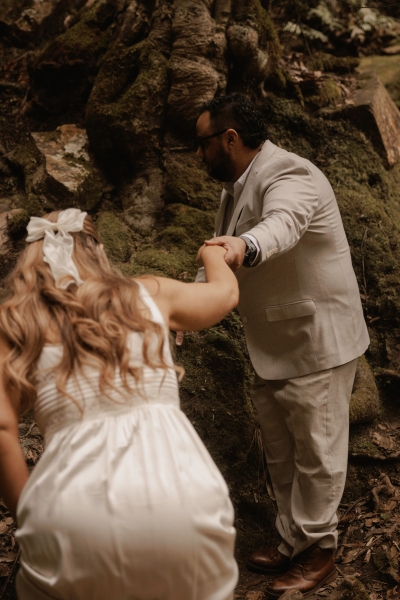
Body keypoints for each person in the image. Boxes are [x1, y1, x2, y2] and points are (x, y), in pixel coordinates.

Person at [0, 208, 239, 600]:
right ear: (99, 251)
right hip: (181, 501)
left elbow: (2, 428)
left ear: (31, 260)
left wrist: (29, 514)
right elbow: (226, 294)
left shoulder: (15, 322)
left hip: (69, 518)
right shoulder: (149, 293)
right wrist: (212, 253)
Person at [192, 93, 370, 599]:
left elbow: (281, 225)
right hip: (274, 342)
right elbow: (221, 253)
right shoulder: (235, 187)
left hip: (316, 342)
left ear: (230, 138)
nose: (198, 154)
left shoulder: (290, 173)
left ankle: (320, 550)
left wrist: (245, 245)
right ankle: (293, 540)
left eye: (202, 143)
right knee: (282, 452)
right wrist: (186, 308)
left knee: (317, 452)